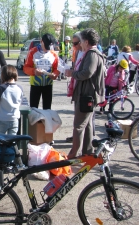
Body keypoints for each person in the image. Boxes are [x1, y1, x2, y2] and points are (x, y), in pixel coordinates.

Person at [65, 28, 105, 159]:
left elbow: (87, 73)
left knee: (78, 126)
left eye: (81, 41)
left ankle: (73, 155)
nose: (80, 44)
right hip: (86, 95)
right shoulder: (91, 53)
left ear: (86, 42)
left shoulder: (92, 54)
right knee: (87, 125)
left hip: (86, 95)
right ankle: (87, 152)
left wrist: (73, 74)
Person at [0, 65, 25, 169]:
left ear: (3, 75)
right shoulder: (20, 88)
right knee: (12, 142)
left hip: (2, 118)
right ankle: (16, 162)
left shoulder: (2, 88)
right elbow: (21, 101)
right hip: (15, 119)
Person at [23, 33, 60, 109]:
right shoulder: (32, 52)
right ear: (41, 41)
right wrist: (34, 71)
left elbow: (57, 68)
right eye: (45, 46)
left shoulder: (53, 54)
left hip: (48, 85)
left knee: (47, 109)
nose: (47, 49)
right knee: (33, 109)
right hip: (35, 85)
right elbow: (26, 68)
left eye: (48, 47)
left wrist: (55, 74)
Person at [66, 32, 83, 143]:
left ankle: (82, 142)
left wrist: (72, 73)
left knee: (85, 119)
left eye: (75, 43)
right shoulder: (77, 52)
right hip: (77, 87)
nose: (74, 46)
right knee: (77, 116)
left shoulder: (89, 54)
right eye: (73, 43)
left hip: (85, 90)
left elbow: (86, 73)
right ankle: (76, 137)